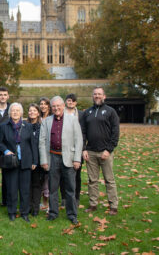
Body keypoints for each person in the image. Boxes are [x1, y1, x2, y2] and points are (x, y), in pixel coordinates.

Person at [39, 96, 82, 225]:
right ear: (51, 108)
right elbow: (42, 142)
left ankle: (72, 214)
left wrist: (77, 159)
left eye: (58, 106)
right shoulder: (47, 121)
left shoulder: (73, 119)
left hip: (68, 158)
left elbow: (79, 140)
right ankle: (53, 212)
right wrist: (44, 160)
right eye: (54, 106)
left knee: (70, 188)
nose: (56, 108)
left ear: (63, 106)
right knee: (52, 188)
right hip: (53, 157)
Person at [80, 87, 120, 215]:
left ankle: (113, 205)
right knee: (92, 180)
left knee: (109, 180)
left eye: (99, 94)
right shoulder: (88, 112)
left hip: (105, 152)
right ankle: (93, 204)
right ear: (92, 96)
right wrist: (84, 149)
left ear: (104, 96)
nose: (97, 96)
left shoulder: (110, 112)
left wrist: (109, 150)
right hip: (90, 152)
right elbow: (83, 132)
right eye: (95, 94)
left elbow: (115, 132)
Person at [0, 103, 37, 222]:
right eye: (13, 110)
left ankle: (24, 212)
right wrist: (6, 151)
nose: (15, 112)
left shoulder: (28, 126)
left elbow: (33, 144)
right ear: (10, 113)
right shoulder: (4, 126)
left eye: (17, 110)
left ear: (21, 113)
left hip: (26, 161)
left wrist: (35, 161)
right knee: (12, 189)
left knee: (25, 190)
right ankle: (12, 212)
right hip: (11, 162)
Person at [27, 103, 44, 217]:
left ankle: (36, 207)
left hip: (39, 159)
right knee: (27, 184)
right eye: (30, 110)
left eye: (34, 110)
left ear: (38, 113)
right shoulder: (25, 125)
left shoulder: (42, 126)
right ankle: (28, 206)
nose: (32, 112)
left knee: (37, 184)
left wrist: (38, 161)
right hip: (27, 159)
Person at [65, 93, 82, 208]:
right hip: (64, 148)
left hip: (76, 148)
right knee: (63, 175)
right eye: (68, 100)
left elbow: (83, 132)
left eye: (72, 101)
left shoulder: (81, 114)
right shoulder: (61, 113)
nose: (70, 102)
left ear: (75, 103)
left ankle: (76, 197)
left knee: (77, 175)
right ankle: (64, 198)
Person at [38, 96, 51, 210]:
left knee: (48, 177)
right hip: (38, 150)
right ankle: (41, 199)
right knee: (40, 177)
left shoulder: (51, 118)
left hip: (48, 151)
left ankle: (47, 201)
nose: (43, 106)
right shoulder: (38, 118)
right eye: (41, 104)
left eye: (45, 104)